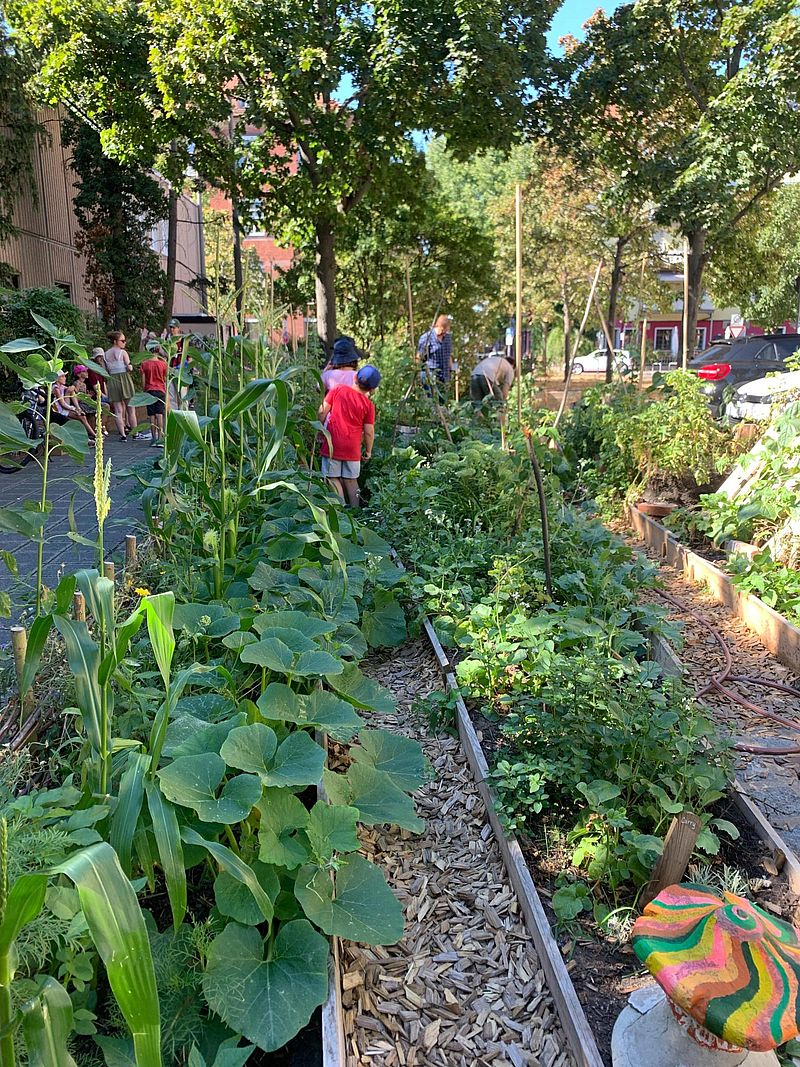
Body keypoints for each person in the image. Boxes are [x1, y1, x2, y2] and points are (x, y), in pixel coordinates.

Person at [318, 364, 380, 507]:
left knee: (332, 477)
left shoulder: (337, 390)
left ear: (354, 377)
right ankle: (355, 511)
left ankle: (341, 509)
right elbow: (369, 431)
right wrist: (368, 451)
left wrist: (319, 430)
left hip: (333, 444)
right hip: (353, 448)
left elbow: (322, 412)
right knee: (351, 480)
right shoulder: (368, 405)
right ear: (372, 389)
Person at [104, 330, 138, 441]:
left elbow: (105, 370)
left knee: (118, 410)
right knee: (131, 409)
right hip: (124, 378)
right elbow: (129, 367)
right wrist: (130, 366)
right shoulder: (123, 353)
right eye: (122, 341)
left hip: (112, 380)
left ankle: (123, 435)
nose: (124, 343)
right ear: (115, 341)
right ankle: (135, 433)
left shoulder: (106, 354)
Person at [52, 370, 96, 442]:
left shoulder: (62, 387)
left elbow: (75, 391)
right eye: (62, 377)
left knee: (82, 416)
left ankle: (93, 435)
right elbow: (62, 404)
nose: (65, 378)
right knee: (81, 417)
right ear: (57, 379)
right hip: (59, 410)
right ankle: (92, 436)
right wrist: (73, 409)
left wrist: (77, 407)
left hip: (66, 408)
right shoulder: (56, 388)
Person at [417, 315, 453, 399]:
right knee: (432, 402)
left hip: (445, 376)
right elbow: (418, 357)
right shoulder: (426, 338)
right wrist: (419, 375)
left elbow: (449, 355)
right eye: (443, 329)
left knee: (443, 401)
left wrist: (453, 370)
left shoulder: (448, 338)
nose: (445, 332)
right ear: (439, 326)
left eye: (447, 330)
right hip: (431, 376)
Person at [139, 345, 168, 447]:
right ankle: (160, 438)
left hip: (149, 390)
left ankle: (153, 438)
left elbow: (143, 380)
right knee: (159, 414)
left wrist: (144, 390)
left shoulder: (145, 364)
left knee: (151, 415)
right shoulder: (163, 364)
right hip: (160, 390)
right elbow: (165, 379)